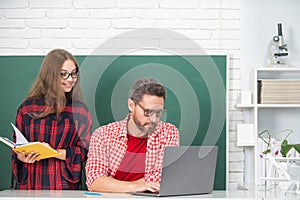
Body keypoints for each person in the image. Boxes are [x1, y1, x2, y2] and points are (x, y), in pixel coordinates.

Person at [11, 49, 92, 190]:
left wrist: (55, 152)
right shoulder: (27, 109)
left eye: (73, 73)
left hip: (65, 186)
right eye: (63, 74)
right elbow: (17, 148)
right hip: (31, 184)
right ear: (50, 75)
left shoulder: (80, 111)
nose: (70, 79)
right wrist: (21, 157)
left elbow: (85, 151)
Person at [85, 78, 180, 193]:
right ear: (131, 105)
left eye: (158, 113)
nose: (154, 119)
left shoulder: (168, 132)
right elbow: (95, 182)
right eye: (148, 112)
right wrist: (135, 187)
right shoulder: (103, 135)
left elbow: (164, 178)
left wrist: (112, 185)